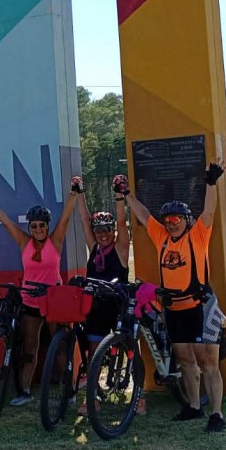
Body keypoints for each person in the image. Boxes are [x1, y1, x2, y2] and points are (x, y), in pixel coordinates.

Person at [120, 158, 226, 433]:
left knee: (208, 363)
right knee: (185, 360)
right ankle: (193, 407)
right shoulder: (162, 237)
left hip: (200, 306)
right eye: (168, 220)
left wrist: (211, 183)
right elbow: (144, 216)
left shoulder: (198, 236)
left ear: (186, 220)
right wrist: (126, 195)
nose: (171, 223)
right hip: (175, 309)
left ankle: (216, 414)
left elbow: (209, 212)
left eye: (177, 219)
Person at [0, 177, 82, 406]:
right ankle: (25, 391)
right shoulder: (24, 242)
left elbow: (66, 217)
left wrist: (74, 193)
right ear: (30, 227)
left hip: (53, 299)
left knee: (60, 348)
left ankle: (69, 391)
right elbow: (5, 221)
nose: (38, 229)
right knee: (30, 348)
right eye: (34, 225)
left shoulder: (55, 241)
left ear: (47, 226)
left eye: (42, 225)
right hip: (30, 300)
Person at [75, 176, 135, 415]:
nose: (102, 234)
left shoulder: (120, 248)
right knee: (93, 350)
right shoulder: (94, 249)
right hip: (98, 305)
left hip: (119, 305)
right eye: (99, 230)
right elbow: (83, 219)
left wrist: (119, 196)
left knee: (132, 347)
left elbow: (122, 222)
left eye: (107, 230)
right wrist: (80, 193)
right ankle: (91, 400)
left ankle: (137, 395)